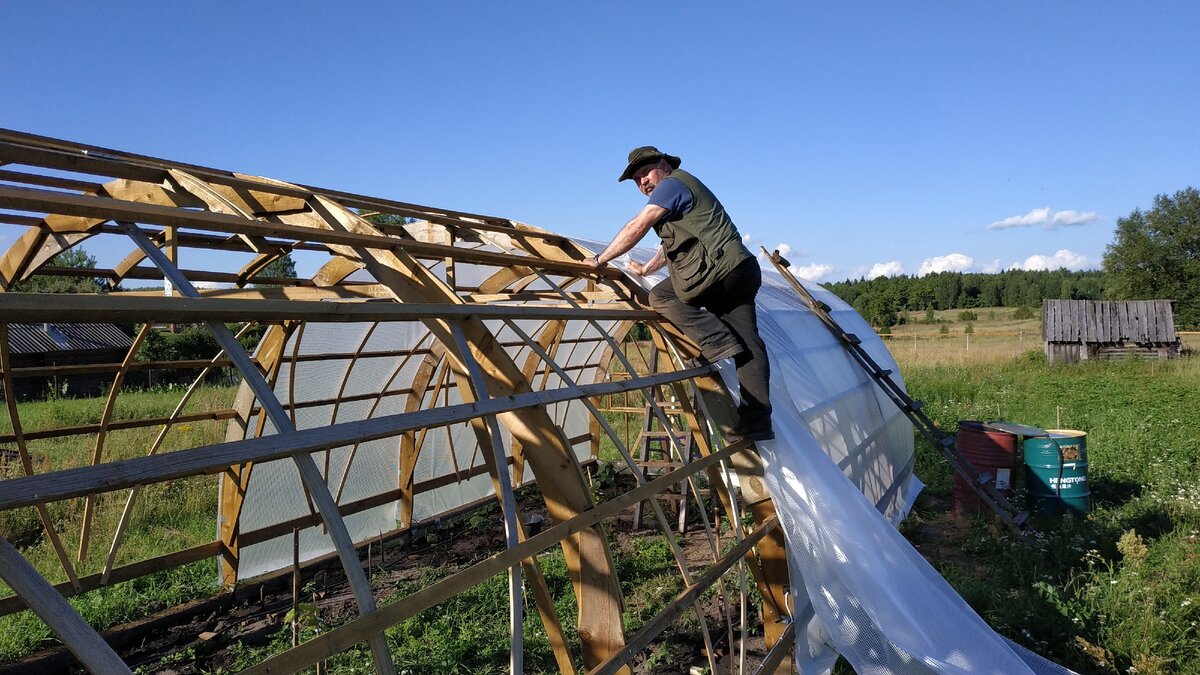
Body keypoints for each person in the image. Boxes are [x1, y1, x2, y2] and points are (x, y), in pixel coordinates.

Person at [586, 146, 773, 442]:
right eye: (636, 179)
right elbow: (670, 247)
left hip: (718, 271)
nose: (643, 182)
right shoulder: (683, 191)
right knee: (750, 347)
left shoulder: (671, 185)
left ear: (663, 164)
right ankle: (757, 421)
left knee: (661, 298)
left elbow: (638, 225)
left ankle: (719, 341)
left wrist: (599, 260)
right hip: (740, 269)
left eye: (645, 172)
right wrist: (646, 270)